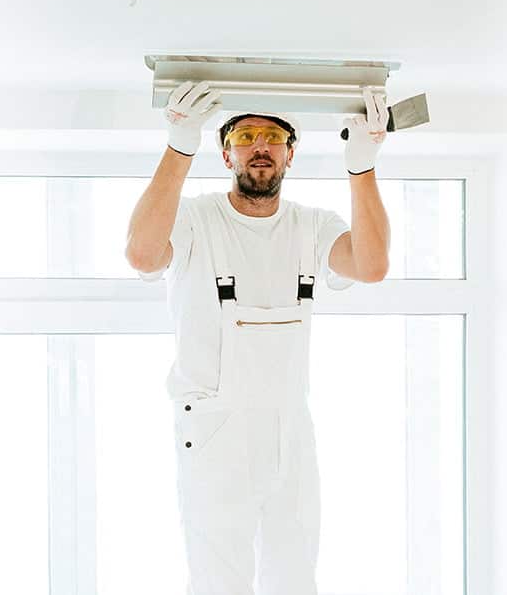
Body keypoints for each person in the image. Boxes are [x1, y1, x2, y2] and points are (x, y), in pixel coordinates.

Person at [124, 79, 391, 595]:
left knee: (294, 576)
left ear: (290, 154)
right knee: (220, 579)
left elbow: (372, 265)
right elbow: (142, 254)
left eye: (272, 137)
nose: (260, 147)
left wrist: (363, 167)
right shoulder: (195, 220)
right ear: (226, 154)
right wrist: (179, 147)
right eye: (245, 137)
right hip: (215, 427)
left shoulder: (313, 226)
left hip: (290, 425)